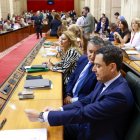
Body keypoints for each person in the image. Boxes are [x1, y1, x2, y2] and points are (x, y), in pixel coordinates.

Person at [25, 45, 134, 140]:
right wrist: (59, 109)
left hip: (96, 135)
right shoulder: (105, 79)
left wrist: (42, 115)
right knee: (49, 129)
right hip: (88, 126)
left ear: (112, 67)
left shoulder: (119, 95)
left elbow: (84, 113)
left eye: (98, 66)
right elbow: (86, 101)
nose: (93, 69)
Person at [64, 36, 104, 104]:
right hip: (69, 96)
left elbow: (92, 94)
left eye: (96, 53)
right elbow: (72, 77)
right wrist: (68, 94)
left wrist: (72, 100)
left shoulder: (100, 70)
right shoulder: (83, 59)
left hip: (81, 103)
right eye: (90, 51)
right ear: (86, 50)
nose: (92, 55)